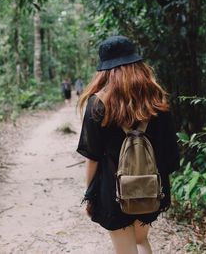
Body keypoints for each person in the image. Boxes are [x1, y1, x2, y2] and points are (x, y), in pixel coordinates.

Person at [77, 35, 180, 254]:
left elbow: (93, 155)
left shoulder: (99, 103)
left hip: (114, 191)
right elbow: (169, 152)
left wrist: (90, 193)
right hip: (151, 186)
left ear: (104, 70)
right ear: (138, 63)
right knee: (141, 241)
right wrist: (162, 186)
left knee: (125, 250)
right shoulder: (157, 99)